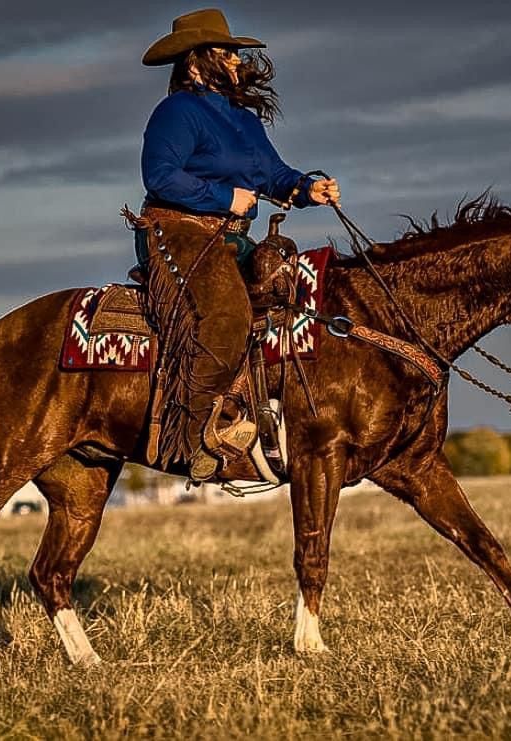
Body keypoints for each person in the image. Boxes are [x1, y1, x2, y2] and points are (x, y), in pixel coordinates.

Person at [138, 8, 340, 479]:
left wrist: (307, 188)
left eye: (234, 51)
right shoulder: (176, 112)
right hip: (177, 232)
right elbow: (160, 175)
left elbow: (273, 174)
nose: (235, 59)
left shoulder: (244, 120)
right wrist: (225, 196)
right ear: (194, 62)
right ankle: (193, 438)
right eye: (225, 51)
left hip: (230, 240)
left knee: (299, 298)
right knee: (226, 314)